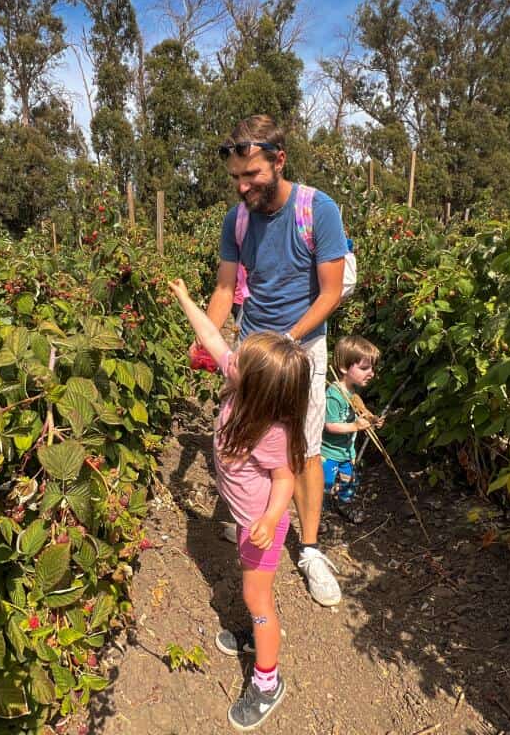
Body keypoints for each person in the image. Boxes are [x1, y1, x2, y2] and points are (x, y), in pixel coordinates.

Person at [201, 114, 349, 607]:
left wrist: (286, 341)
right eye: (237, 179)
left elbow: (330, 294)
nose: (244, 187)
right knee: (243, 437)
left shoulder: (317, 209)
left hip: (300, 348)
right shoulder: (237, 219)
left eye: (253, 176)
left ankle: (308, 548)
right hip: (252, 347)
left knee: (302, 449)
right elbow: (226, 287)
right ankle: (255, 523)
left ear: (279, 160)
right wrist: (209, 337)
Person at [169, 277, 308, 731]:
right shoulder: (241, 384)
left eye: (240, 361)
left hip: (261, 528)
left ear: (257, 389)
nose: (232, 360)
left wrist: (270, 518)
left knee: (257, 595)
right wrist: (188, 299)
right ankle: (254, 634)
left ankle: (267, 682)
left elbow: (287, 478)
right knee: (254, 593)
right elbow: (212, 339)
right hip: (250, 522)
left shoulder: (272, 431)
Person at [322, 336, 382, 524]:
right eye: (364, 368)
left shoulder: (352, 393)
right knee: (325, 483)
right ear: (343, 368)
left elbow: (359, 412)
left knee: (349, 479)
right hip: (329, 452)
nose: (371, 373)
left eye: (372, 368)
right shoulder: (334, 395)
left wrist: (372, 420)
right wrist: (354, 426)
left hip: (347, 452)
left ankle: (344, 503)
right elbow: (330, 425)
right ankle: (319, 513)